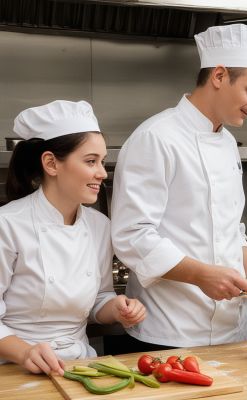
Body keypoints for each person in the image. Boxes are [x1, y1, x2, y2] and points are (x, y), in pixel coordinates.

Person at [110, 24, 247, 350]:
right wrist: (201, 275)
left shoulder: (227, 142)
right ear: (220, 76)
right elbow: (132, 235)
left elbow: (229, 229)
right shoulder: (156, 137)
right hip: (169, 331)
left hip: (232, 329)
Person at [0, 100, 146, 375]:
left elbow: (99, 298)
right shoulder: (7, 225)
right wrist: (25, 352)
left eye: (102, 162)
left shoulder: (99, 226)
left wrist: (116, 308)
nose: (102, 173)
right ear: (51, 163)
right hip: (12, 368)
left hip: (80, 365)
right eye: (91, 161)